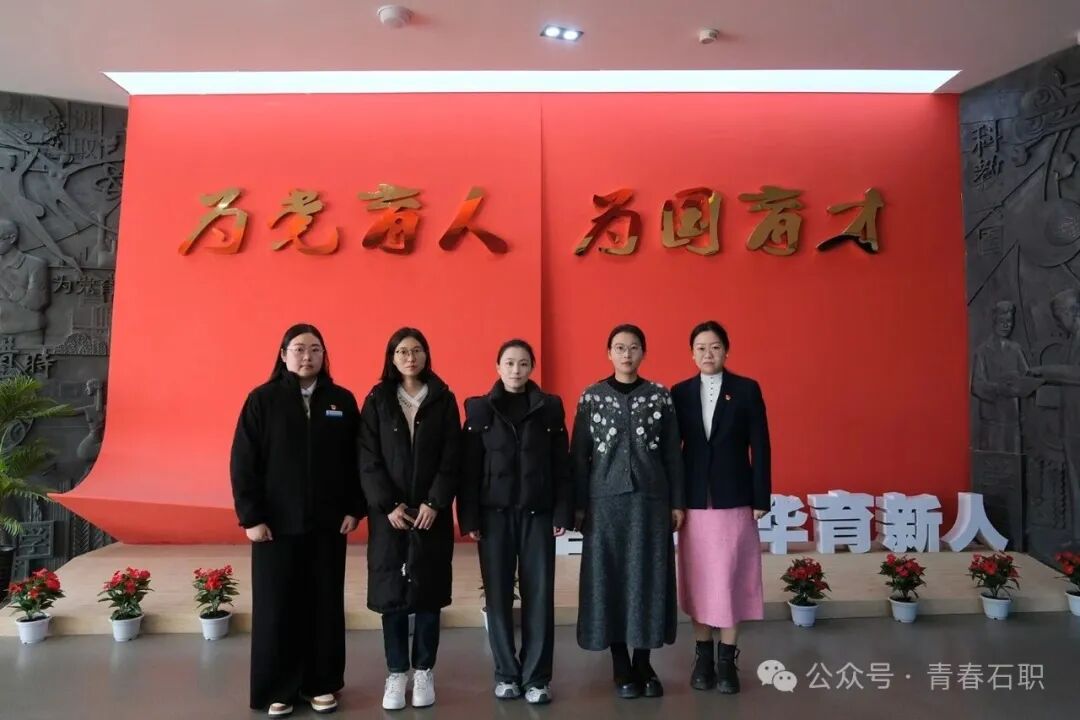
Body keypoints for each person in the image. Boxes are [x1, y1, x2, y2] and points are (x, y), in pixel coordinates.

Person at [230, 323, 364, 718]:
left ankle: (321, 683)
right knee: (277, 607)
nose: (308, 356)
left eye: (316, 349)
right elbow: (243, 462)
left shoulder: (341, 400)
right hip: (275, 527)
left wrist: (354, 508)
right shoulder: (262, 400)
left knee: (324, 605)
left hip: (328, 525)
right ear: (283, 354)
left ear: (324, 355)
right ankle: (278, 688)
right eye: (300, 349)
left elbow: (358, 460)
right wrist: (251, 516)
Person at [571, 323, 685, 699]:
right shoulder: (592, 397)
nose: (626, 354)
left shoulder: (660, 397)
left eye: (634, 347)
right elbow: (578, 456)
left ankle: (644, 662)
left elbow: (673, 455)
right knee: (610, 580)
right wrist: (578, 506)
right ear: (608, 353)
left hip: (650, 504)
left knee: (648, 579)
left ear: (643, 353)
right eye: (619, 347)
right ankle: (620, 663)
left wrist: (677, 503)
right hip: (604, 506)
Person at [458, 339, 572, 705]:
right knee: (498, 596)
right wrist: (469, 517)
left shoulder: (549, 408)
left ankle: (537, 678)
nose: (516, 370)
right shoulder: (479, 409)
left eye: (523, 363)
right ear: (497, 367)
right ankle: (506, 674)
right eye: (509, 363)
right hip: (494, 518)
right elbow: (468, 469)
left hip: (538, 516)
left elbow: (562, 465)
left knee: (539, 595)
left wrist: (562, 512)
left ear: (531, 367)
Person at [359, 327, 460, 711]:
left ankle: (424, 671)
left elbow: (452, 455)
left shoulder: (442, 398)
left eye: (416, 350)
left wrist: (436, 502)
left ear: (426, 355)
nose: (410, 357)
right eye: (402, 351)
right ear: (392, 357)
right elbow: (367, 457)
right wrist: (387, 505)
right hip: (391, 517)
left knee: (429, 592)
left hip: (431, 515)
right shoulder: (377, 399)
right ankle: (397, 672)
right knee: (392, 595)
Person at [671, 320, 770, 694]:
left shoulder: (746, 389)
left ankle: (727, 660)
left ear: (726, 350)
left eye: (714, 347)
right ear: (691, 353)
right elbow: (672, 452)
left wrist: (761, 497)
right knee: (699, 578)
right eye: (700, 348)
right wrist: (674, 500)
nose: (707, 354)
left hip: (735, 498)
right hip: (694, 501)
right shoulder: (679, 392)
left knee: (731, 577)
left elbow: (761, 445)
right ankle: (703, 659)